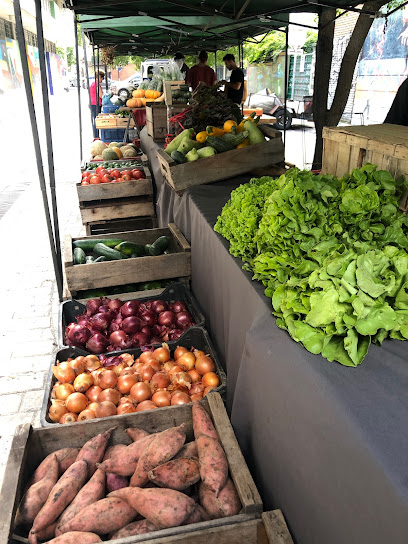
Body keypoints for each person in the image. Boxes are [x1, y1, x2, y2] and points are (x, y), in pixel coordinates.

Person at [90, 70, 104, 138]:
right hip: (96, 104)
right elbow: (101, 95)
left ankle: (96, 136)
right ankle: (96, 136)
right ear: (98, 77)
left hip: (92, 103)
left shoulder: (93, 84)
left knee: (95, 119)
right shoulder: (97, 84)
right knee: (97, 120)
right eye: (102, 78)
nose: (102, 80)